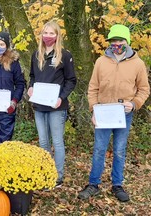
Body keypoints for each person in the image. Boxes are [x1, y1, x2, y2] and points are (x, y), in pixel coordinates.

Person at [78, 24, 150, 202]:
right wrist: (93, 109)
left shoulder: (138, 64)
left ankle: (117, 185)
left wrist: (134, 104)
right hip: (102, 112)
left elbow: (144, 89)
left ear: (127, 42)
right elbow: (93, 88)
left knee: (119, 150)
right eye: (113, 41)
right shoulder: (101, 62)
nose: (116, 43)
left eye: (120, 40)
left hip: (123, 114)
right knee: (99, 149)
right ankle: (93, 184)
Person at [27, 21, 77, 188]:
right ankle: (45, 173)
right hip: (39, 106)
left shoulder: (65, 55)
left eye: (51, 33)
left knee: (57, 142)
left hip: (56, 107)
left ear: (57, 36)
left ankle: (58, 176)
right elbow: (32, 76)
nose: (47, 36)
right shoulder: (36, 54)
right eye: (45, 33)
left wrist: (61, 98)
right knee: (43, 142)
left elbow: (71, 80)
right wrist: (30, 88)